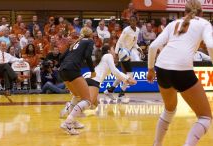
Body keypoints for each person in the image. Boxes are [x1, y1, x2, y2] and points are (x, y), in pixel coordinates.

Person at [146, 1, 213, 146]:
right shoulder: (204, 23)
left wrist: (151, 69)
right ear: (201, 13)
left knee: (169, 109)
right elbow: (211, 45)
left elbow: (153, 46)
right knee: (205, 117)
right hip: (182, 69)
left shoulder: (173, 24)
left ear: (184, 12)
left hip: (161, 67)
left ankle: (157, 144)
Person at [60, 45, 136, 118]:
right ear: (109, 51)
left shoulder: (104, 58)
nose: (114, 51)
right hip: (94, 80)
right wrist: (127, 79)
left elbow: (115, 71)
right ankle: (71, 113)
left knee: (94, 105)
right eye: (113, 49)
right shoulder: (108, 56)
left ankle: (71, 107)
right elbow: (115, 71)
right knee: (88, 102)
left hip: (89, 78)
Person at [58, 27, 96, 135]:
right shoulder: (89, 41)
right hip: (72, 69)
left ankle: (73, 121)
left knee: (77, 96)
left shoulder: (75, 42)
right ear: (91, 34)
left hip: (62, 70)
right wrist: (92, 71)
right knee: (87, 101)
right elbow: (88, 56)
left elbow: (61, 57)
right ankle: (68, 123)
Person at [104, 15, 142, 103]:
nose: (132, 22)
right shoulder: (126, 30)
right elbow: (119, 42)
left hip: (128, 52)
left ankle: (110, 90)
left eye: (134, 20)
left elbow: (134, 43)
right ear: (129, 21)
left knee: (124, 74)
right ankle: (121, 94)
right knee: (130, 74)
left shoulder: (138, 30)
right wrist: (116, 54)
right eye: (131, 20)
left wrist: (139, 49)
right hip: (122, 52)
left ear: (136, 21)